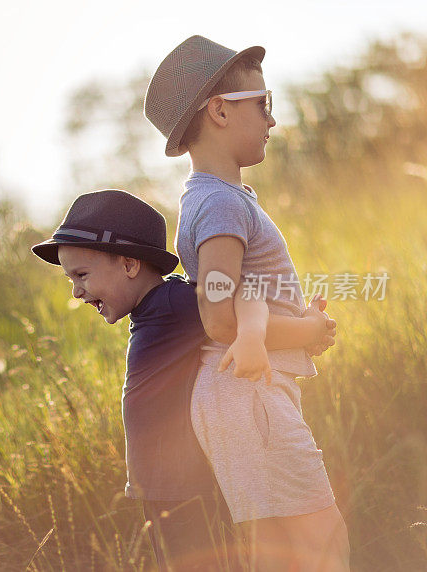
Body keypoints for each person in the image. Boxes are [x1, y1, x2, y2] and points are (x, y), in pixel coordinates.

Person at [30, 189, 334, 570]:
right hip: (160, 490)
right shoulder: (154, 309)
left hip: (185, 488)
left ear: (128, 265)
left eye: (82, 275)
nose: (75, 291)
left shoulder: (173, 301)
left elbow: (243, 297)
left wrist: (307, 328)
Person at [144, 35, 350, 570]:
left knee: (283, 555)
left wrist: (300, 323)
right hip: (247, 394)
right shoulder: (218, 204)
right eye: (263, 104)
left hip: (248, 393)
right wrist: (307, 333)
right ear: (219, 111)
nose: (271, 121)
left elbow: (242, 297)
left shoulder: (223, 200)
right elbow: (219, 316)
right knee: (324, 544)